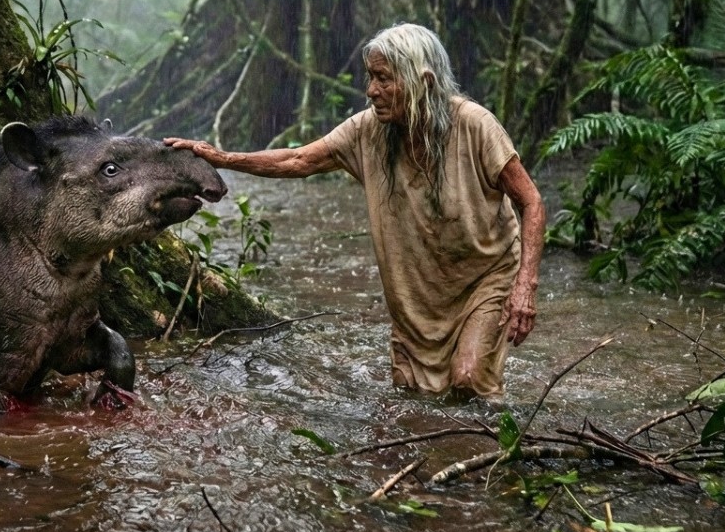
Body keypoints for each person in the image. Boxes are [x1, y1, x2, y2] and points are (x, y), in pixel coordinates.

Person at [165, 23, 544, 398]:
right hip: (418, 297)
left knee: (468, 381)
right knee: (411, 399)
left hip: (486, 279)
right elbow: (297, 160)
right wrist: (221, 157)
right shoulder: (368, 131)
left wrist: (525, 285)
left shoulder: (475, 126)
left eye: (383, 79)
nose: (371, 91)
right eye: (370, 77)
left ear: (424, 82)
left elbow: (531, 201)